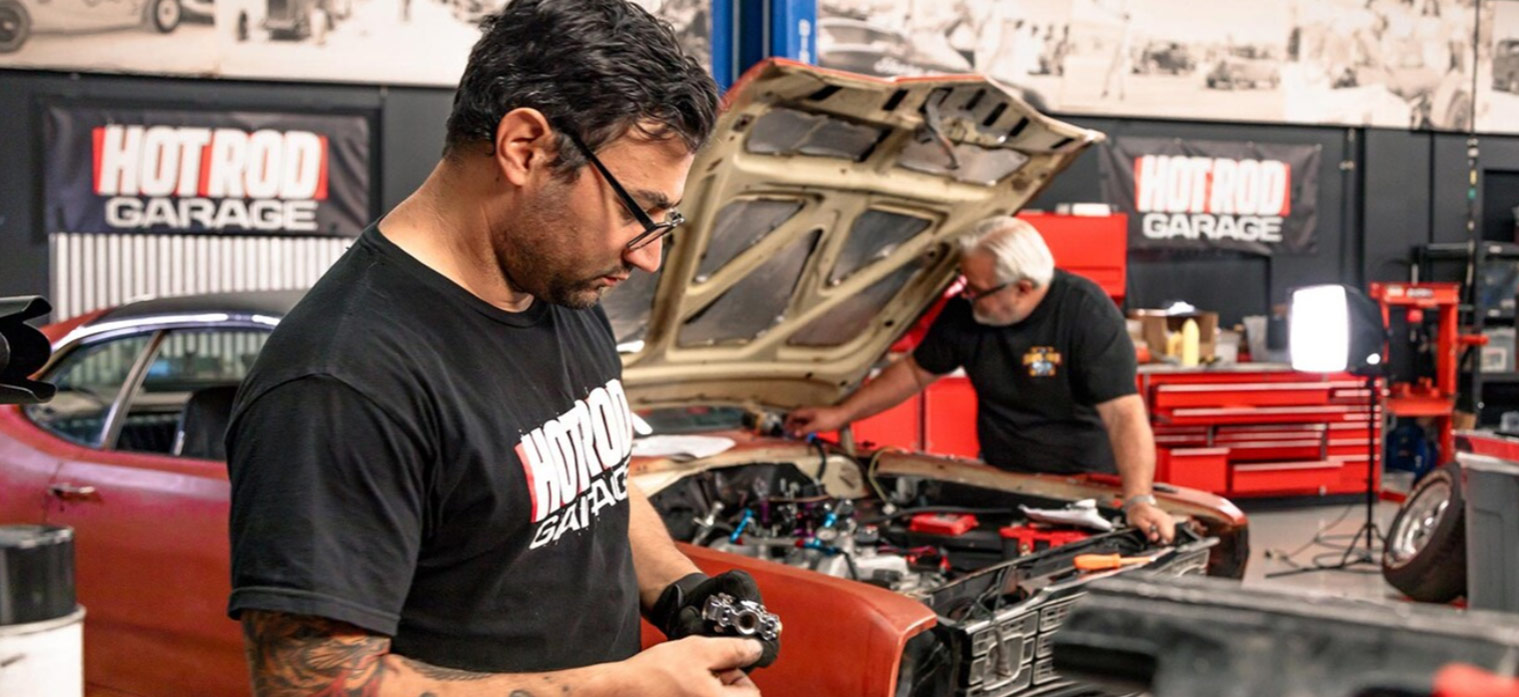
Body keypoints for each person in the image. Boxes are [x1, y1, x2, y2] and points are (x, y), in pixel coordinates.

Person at [224, 1, 776, 695]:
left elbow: (593, 482)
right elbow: (313, 683)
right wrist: (622, 688)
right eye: (640, 212)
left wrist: (681, 591)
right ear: (525, 148)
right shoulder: (344, 380)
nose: (648, 259)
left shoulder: (557, 285)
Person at [787, 216, 1178, 543]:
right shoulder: (969, 313)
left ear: (1023, 288)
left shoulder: (1085, 313)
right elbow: (914, 371)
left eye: (976, 289)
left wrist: (1138, 498)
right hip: (998, 477)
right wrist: (840, 414)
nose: (966, 296)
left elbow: (1124, 414)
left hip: (1079, 488)